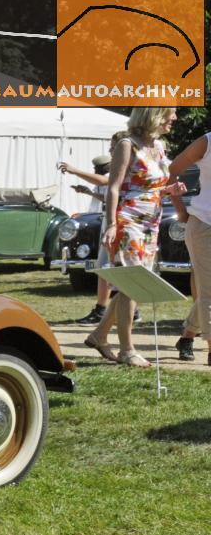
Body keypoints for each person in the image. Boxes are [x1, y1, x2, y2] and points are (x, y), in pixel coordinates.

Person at [86, 107, 183, 368]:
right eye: (169, 113)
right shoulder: (127, 145)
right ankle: (127, 350)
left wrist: (168, 190)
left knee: (135, 284)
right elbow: (114, 188)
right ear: (153, 114)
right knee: (131, 283)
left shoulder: (159, 146)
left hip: (151, 223)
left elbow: (151, 186)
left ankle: (99, 335)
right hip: (128, 222)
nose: (174, 119)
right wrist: (111, 224)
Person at [60, 129, 129, 324]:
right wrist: (89, 193)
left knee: (106, 267)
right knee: (114, 266)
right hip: (116, 218)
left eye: (113, 147)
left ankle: (102, 310)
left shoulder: (122, 166)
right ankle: (125, 309)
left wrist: (75, 171)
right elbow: (108, 193)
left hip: (117, 220)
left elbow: (106, 181)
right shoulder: (128, 165)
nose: (110, 149)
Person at [167, 130, 209, 365]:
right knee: (208, 291)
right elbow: (172, 171)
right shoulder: (206, 141)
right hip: (205, 223)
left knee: (208, 292)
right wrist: (180, 210)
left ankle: (187, 336)